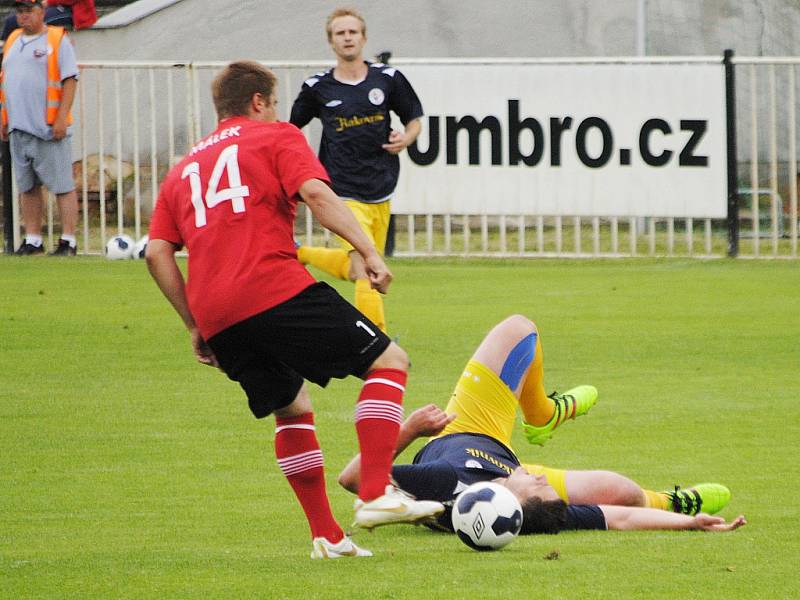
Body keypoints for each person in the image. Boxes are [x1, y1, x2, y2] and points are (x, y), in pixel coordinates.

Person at [145, 60, 443, 561]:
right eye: (275, 103)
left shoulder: (181, 170)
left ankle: (326, 536)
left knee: (292, 408)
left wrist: (195, 324)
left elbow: (156, 253)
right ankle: (374, 493)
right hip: (271, 285)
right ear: (259, 101)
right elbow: (315, 193)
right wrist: (367, 251)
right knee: (389, 361)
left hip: (218, 314)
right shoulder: (275, 136)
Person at [339, 315, 746, 534]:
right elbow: (622, 518)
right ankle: (674, 499)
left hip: (462, 427)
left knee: (518, 329)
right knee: (623, 491)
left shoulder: (442, 483)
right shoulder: (533, 515)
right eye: (543, 482)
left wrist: (409, 429)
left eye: (539, 485)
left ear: (509, 499)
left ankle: (542, 416)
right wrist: (688, 523)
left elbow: (352, 477)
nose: (540, 478)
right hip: (499, 453)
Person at [290, 7, 423, 333]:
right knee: (366, 266)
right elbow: (291, 130)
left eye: (352, 32)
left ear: (363, 38)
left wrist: (405, 138)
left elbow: (414, 119)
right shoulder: (317, 86)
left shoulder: (387, 79)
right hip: (341, 189)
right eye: (340, 33)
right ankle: (380, 341)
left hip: (382, 184)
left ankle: (303, 253)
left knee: (357, 268)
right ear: (331, 41)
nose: (347, 38)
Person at [0, 0, 79, 256]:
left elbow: (69, 80)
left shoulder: (57, 40)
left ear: (40, 12)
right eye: (19, 11)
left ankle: (68, 239)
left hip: (47, 127)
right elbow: (6, 81)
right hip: (18, 127)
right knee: (27, 186)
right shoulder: (12, 39)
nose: (23, 16)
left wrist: (60, 117)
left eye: (28, 11)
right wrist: (4, 119)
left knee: (61, 185)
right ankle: (33, 238)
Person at [1, 0, 97, 41]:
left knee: (32, 21)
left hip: (72, 9)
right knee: (11, 21)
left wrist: (49, 2)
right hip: (46, 6)